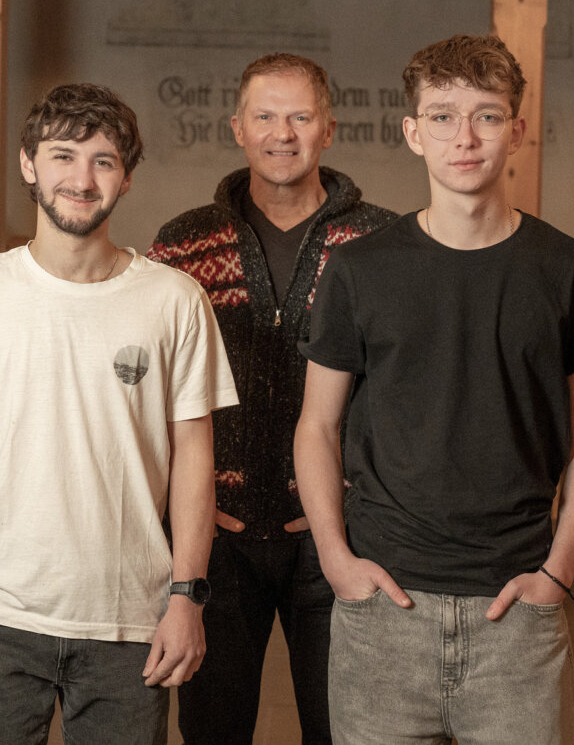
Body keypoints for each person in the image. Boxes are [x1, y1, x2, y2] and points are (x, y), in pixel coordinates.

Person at [294, 33, 574, 744]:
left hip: (518, 616)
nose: (464, 136)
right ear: (413, 132)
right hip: (384, 610)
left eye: (487, 115)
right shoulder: (360, 271)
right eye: (442, 115)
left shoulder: (571, 270)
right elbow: (317, 426)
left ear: (518, 131)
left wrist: (559, 575)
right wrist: (335, 561)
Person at [0, 83, 238, 745]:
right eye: (63, 155)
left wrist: (187, 599)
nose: (81, 178)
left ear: (126, 178)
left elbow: (197, 456)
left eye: (103, 160)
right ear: (28, 164)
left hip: (131, 622)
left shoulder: (174, 299)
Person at [148, 52, 395, 744]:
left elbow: (403, 390)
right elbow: (156, 391)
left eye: (299, 116)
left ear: (329, 129)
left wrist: (354, 502)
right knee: (212, 731)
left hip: (338, 539)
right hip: (213, 537)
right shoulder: (183, 243)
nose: (281, 133)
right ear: (237, 128)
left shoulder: (381, 241)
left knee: (345, 729)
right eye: (264, 115)